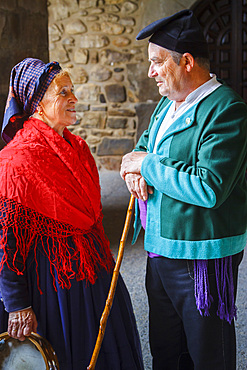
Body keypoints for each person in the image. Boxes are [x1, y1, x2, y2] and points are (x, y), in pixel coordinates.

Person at [120, 9, 247, 370]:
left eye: (157, 62)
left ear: (186, 61)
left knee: (208, 352)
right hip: (160, 248)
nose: (151, 72)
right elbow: (142, 146)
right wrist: (135, 169)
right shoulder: (167, 103)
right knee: (166, 350)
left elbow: (208, 187)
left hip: (200, 254)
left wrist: (146, 166)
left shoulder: (226, 110)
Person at [0, 57, 144, 370]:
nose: (73, 99)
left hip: (94, 272)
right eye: (63, 93)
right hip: (51, 286)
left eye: (72, 90)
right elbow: (5, 241)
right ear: (37, 104)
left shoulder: (78, 148)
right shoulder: (15, 162)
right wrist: (17, 304)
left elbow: (91, 215)